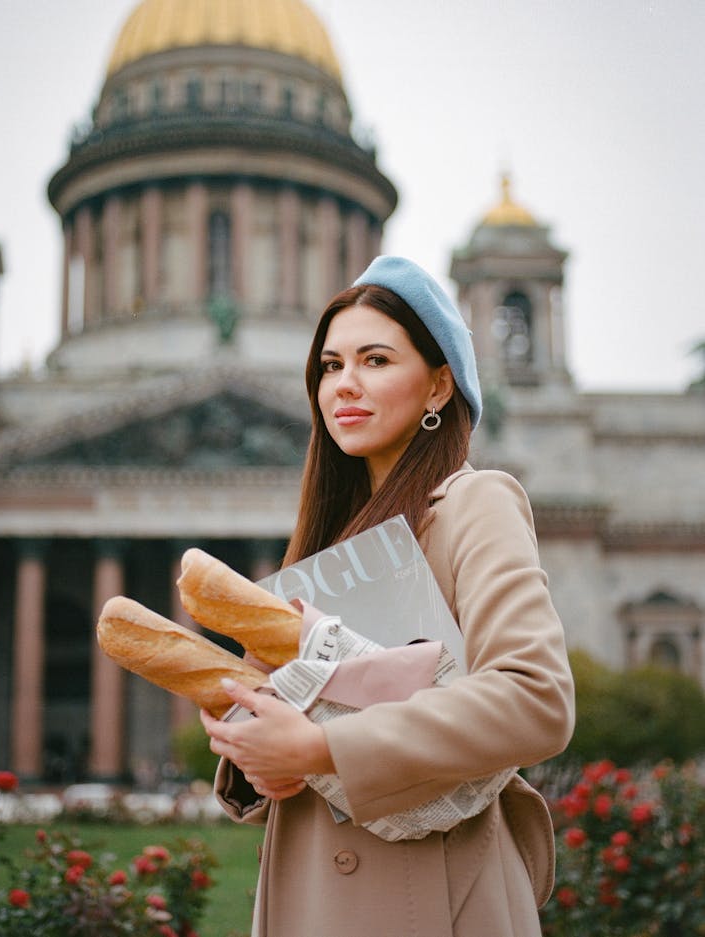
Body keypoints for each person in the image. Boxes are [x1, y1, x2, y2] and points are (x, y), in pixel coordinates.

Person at [200, 256, 575, 937]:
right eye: (330, 365)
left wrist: (321, 749)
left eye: (375, 360)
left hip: (435, 897)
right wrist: (254, 747)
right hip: (313, 896)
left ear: (438, 385)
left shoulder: (473, 503)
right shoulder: (325, 542)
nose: (345, 384)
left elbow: (536, 697)